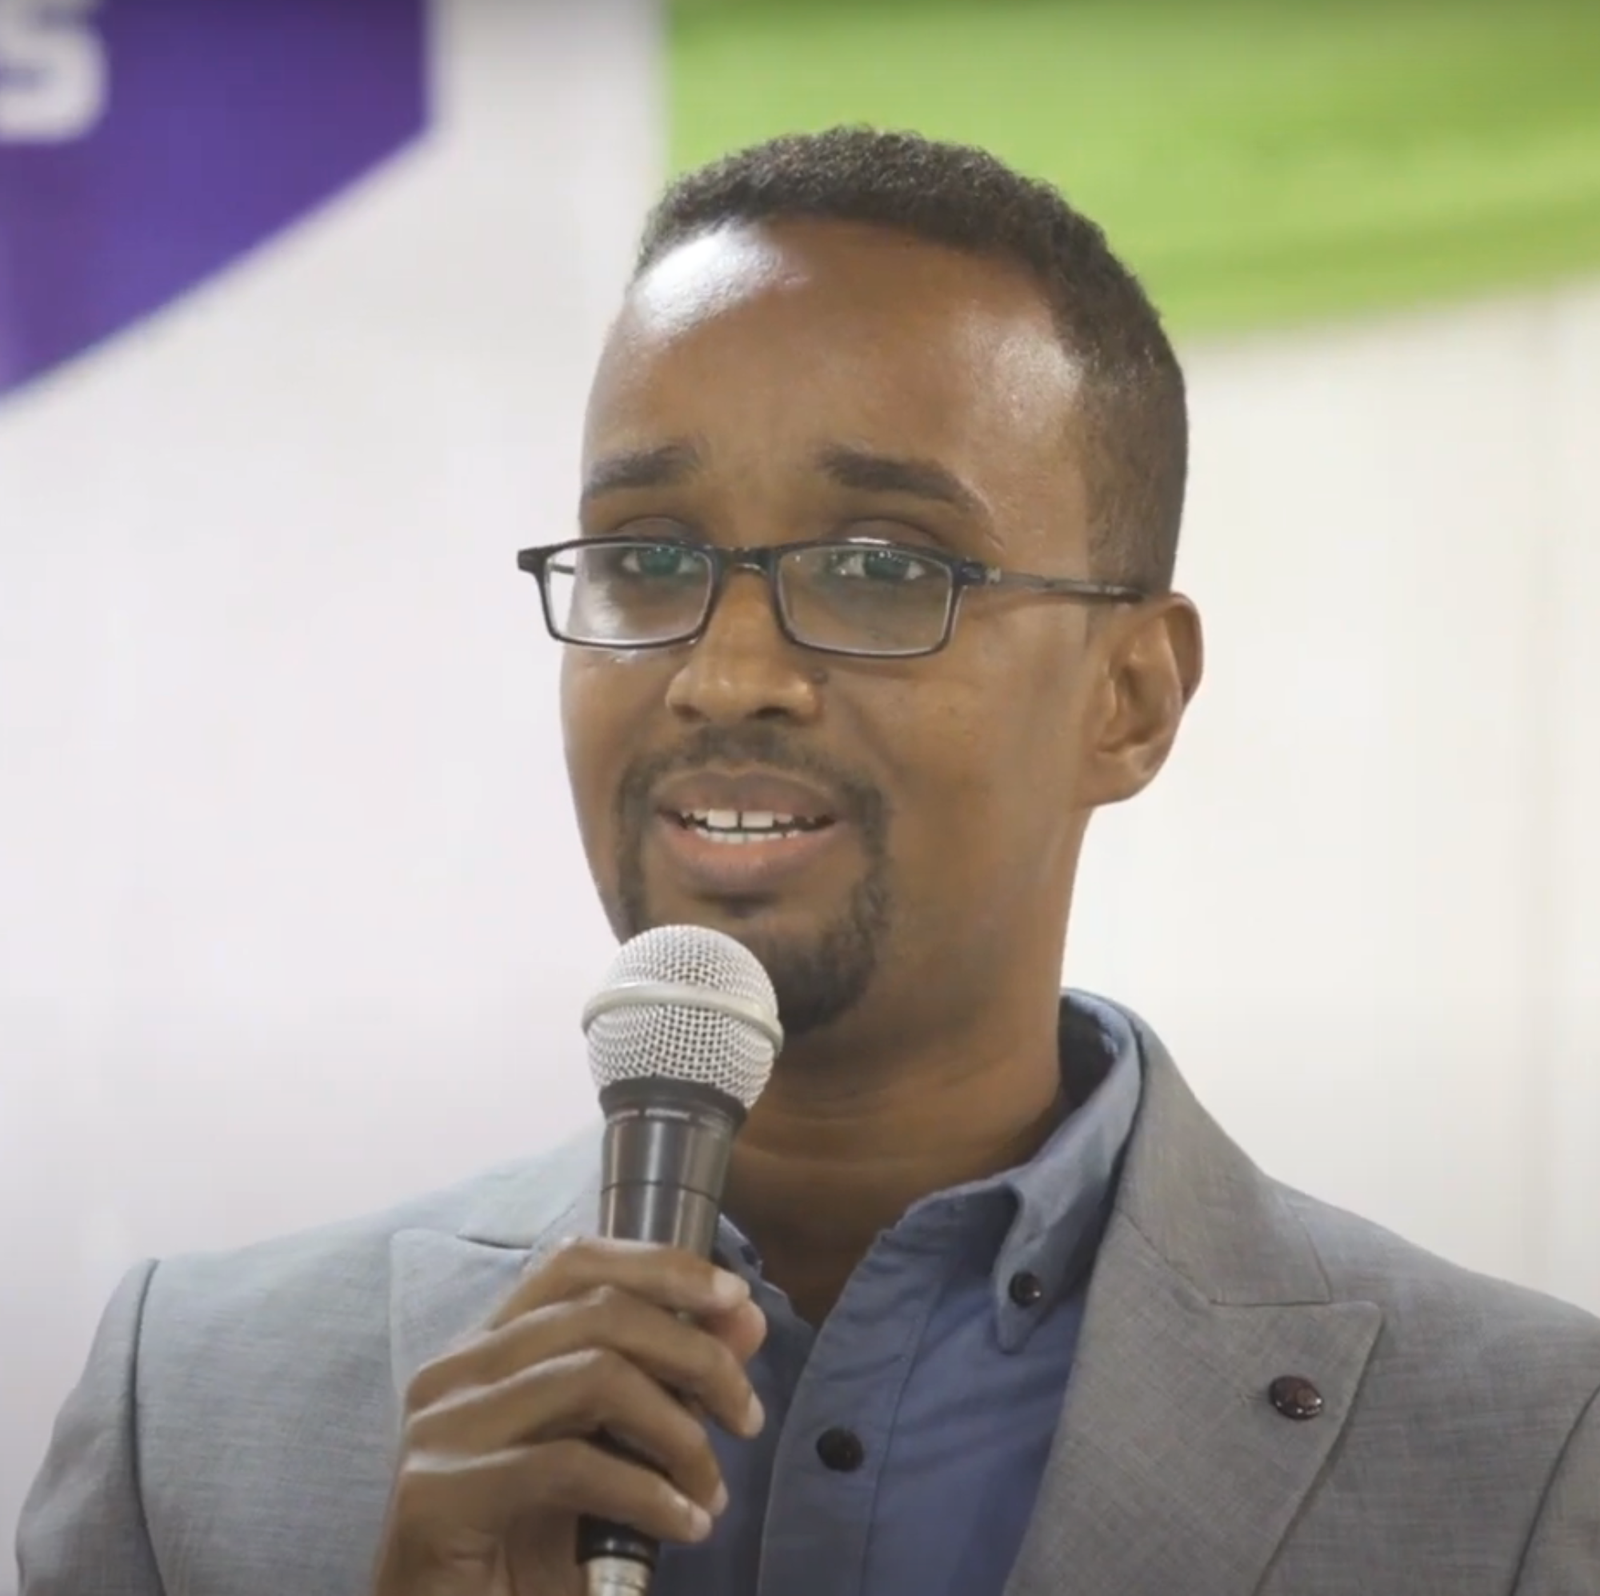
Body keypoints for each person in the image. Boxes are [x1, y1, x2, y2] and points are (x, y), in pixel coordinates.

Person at [16, 127, 1600, 1596]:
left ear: (1130, 698)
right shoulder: (191, 1411)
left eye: (880, 566)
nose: (726, 674)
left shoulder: (1528, 1448)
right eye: (648, 557)